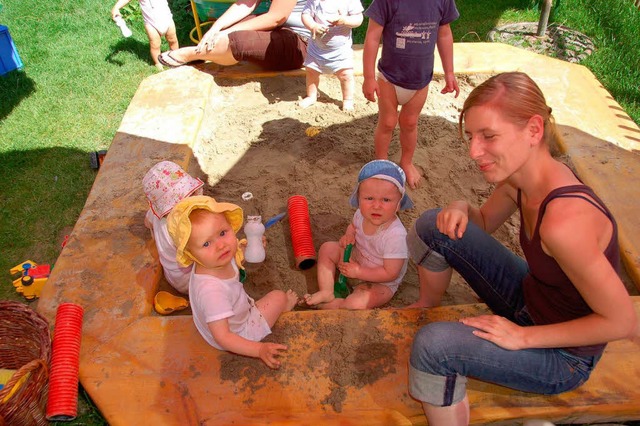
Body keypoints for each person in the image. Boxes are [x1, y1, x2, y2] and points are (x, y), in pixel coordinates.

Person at [406, 72, 638, 425]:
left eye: (488, 136)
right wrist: (458, 206)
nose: (473, 151)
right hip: (533, 300)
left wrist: (522, 337)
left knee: (433, 347)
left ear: (533, 130)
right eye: (470, 136)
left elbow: (622, 321)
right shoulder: (520, 180)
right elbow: (481, 222)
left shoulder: (564, 223)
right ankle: (427, 305)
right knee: (433, 224)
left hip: (562, 357)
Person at [167, 195, 299, 369]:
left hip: (222, 318)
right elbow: (223, 337)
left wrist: (249, 248)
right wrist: (258, 349)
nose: (221, 245)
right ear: (191, 253)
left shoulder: (212, 259)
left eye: (222, 233)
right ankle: (283, 308)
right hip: (238, 333)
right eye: (207, 243)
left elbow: (235, 258)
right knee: (279, 297)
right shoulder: (211, 292)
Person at [362, 0, 460, 189]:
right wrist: (368, 77)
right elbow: (372, 37)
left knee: (409, 122)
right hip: (389, 78)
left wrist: (449, 73)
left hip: (420, 80)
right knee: (388, 122)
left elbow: (445, 33)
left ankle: (406, 162)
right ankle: (381, 164)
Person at [302, 160, 412, 309]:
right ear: (359, 199)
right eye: (369, 198)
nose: (376, 206)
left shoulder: (395, 236)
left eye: (386, 200)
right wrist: (349, 235)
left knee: (356, 303)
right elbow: (353, 226)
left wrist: (359, 272)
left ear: (398, 204)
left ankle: (336, 305)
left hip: (379, 281)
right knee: (327, 248)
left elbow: (390, 273)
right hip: (356, 258)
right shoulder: (361, 214)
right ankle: (326, 291)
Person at [157, 0, 311, 71]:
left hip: (303, 42)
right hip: (281, 28)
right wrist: (217, 27)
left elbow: (276, 17)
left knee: (237, 41)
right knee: (229, 28)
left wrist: (225, 33)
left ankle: (193, 53)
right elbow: (247, 2)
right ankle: (208, 51)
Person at [143, 161, 204, 294]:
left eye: (191, 194)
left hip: (173, 275)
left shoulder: (158, 213)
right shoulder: (185, 229)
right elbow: (206, 255)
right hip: (191, 282)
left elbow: (147, 222)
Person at [298, 0, 364, 111]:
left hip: (340, 52)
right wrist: (312, 25)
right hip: (317, 49)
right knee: (311, 72)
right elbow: (306, 14)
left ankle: (348, 100)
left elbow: (358, 19)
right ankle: (311, 96)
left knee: (346, 76)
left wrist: (345, 20)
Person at [111, 0, 179, 70]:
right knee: (155, 45)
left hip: (167, 19)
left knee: (173, 40)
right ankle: (158, 63)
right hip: (151, 24)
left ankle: (175, 58)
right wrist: (116, 7)